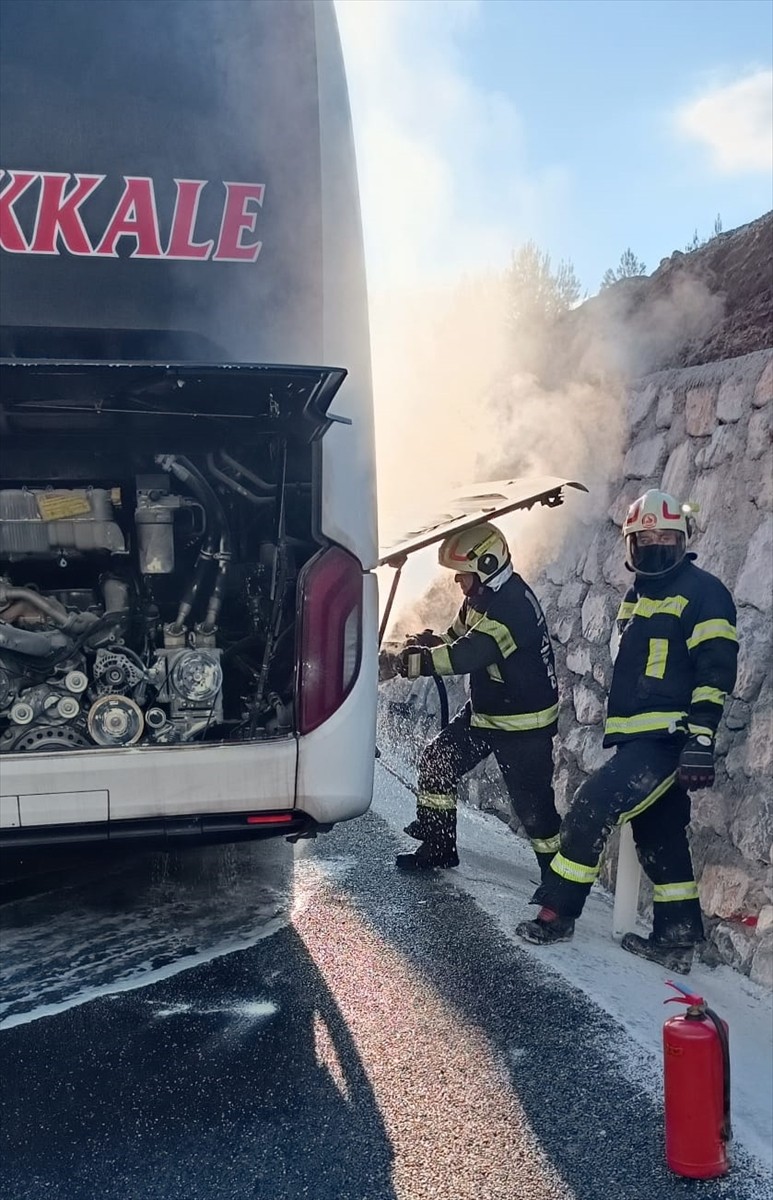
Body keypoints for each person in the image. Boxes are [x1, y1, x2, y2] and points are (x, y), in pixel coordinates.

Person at [516, 488, 738, 972]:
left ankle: (556, 913)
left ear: (684, 538)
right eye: (646, 538)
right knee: (660, 834)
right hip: (640, 738)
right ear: (631, 546)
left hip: (668, 740)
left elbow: (716, 670)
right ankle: (676, 940)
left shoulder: (704, 593)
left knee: (593, 804)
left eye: (665, 536)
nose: (656, 545)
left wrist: (700, 739)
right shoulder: (637, 597)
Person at [381, 521, 562, 875]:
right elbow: (457, 637)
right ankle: (438, 847)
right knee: (438, 762)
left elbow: (469, 654)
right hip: (487, 710)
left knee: (534, 811)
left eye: (462, 573)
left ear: (487, 565)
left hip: (524, 724)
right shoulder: (480, 597)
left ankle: (559, 884)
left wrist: (422, 662)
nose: (457, 581)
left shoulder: (514, 608)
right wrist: (425, 643)